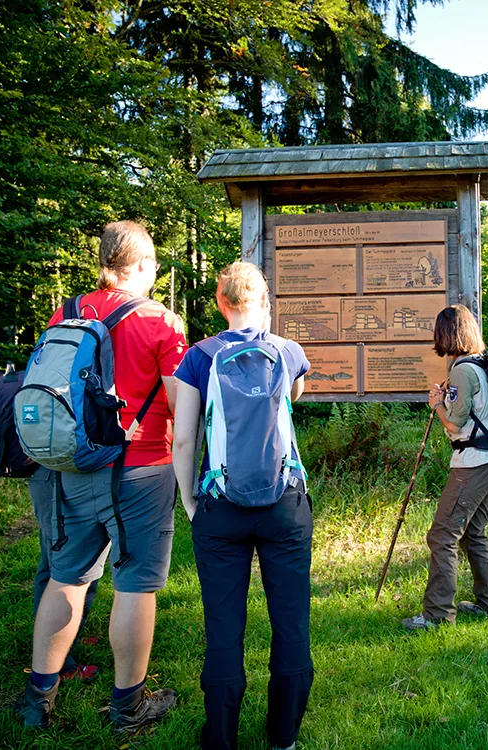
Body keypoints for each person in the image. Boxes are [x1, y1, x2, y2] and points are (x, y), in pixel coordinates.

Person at [13, 221, 188, 730]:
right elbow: (180, 403)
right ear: (137, 266)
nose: (156, 273)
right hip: (141, 470)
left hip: (73, 464)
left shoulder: (67, 312)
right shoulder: (161, 321)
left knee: (66, 579)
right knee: (135, 586)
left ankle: (37, 700)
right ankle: (128, 707)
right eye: (153, 264)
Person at [172, 261, 313, 750]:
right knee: (291, 621)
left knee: (224, 628)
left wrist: (191, 502)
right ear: (264, 301)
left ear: (220, 302)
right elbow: (296, 396)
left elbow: (184, 439)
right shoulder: (288, 351)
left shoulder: (199, 357)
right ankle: (284, 737)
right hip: (285, 504)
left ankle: (221, 739)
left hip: (221, 504)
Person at [402, 304, 488, 630]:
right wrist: (446, 398)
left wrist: (436, 406)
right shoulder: (478, 364)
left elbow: (454, 423)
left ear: (446, 334)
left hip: (473, 463)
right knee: (472, 533)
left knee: (443, 535)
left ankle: (436, 616)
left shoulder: (462, 370)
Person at [29, 468, 99, 681]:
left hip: (63, 474)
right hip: (56, 476)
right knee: (60, 573)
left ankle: (69, 637)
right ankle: (59, 662)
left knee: (79, 565)